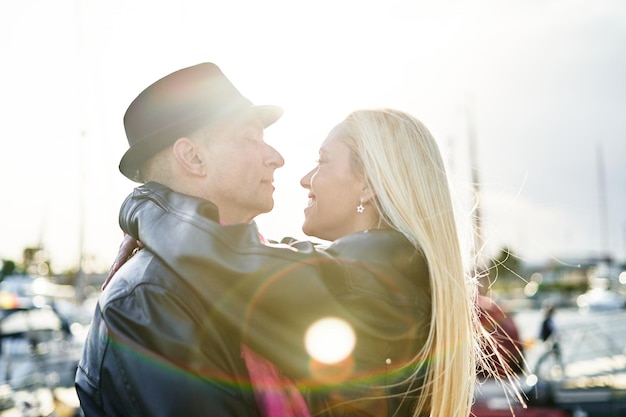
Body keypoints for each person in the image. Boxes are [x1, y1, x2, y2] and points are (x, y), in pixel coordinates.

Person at [100, 108, 498, 416]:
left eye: (323, 161)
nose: (305, 177)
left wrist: (145, 203)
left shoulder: (370, 279)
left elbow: (228, 261)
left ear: (369, 184)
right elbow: (268, 258)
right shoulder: (387, 267)